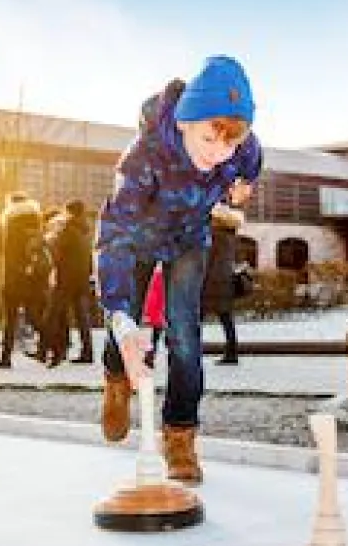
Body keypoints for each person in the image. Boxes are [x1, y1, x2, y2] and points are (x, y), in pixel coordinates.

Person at [95, 55, 262, 484]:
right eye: (209, 140)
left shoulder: (238, 146)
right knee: (129, 327)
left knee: (185, 335)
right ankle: (116, 377)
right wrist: (118, 316)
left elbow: (252, 158)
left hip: (189, 240)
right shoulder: (143, 161)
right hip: (137, 242)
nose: (219, 154)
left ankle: (181, 437)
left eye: (229, 145)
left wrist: (246, 184)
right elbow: (113, 237)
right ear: (185, 122)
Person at [0, 191, 46, 369]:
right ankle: (55, 343)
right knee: (33, 316)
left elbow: (9, 255)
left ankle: (5, 358)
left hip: (13, 279)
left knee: (10, 320)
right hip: (32, 279)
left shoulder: (11, 224)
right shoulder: (37, 222)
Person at [46, 200, 96, 366]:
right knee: (82, 317)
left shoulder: (67, 229)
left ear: (70, 212)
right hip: (81, 279)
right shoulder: (85, 229)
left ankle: (47, 350)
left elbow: (56, 251)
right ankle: (87, 352)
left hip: (66, 278)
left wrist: (51, 240)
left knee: (53, 314)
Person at [202, 202, 243, 364]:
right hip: (225, 280)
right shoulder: (230, 234)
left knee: (195, 318)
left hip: (211, 281)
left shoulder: (213, 234)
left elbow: (207, 258)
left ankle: (189, 354)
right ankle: (232, 353)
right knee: (226, 318)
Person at [142, 263, 166, 369]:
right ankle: (150, 356)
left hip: (158, 312)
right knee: (156, 336)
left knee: (155, 337)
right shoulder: (160, 273)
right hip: (161, 312)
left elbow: (153, 295)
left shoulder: (157, 274)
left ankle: (150, 356)